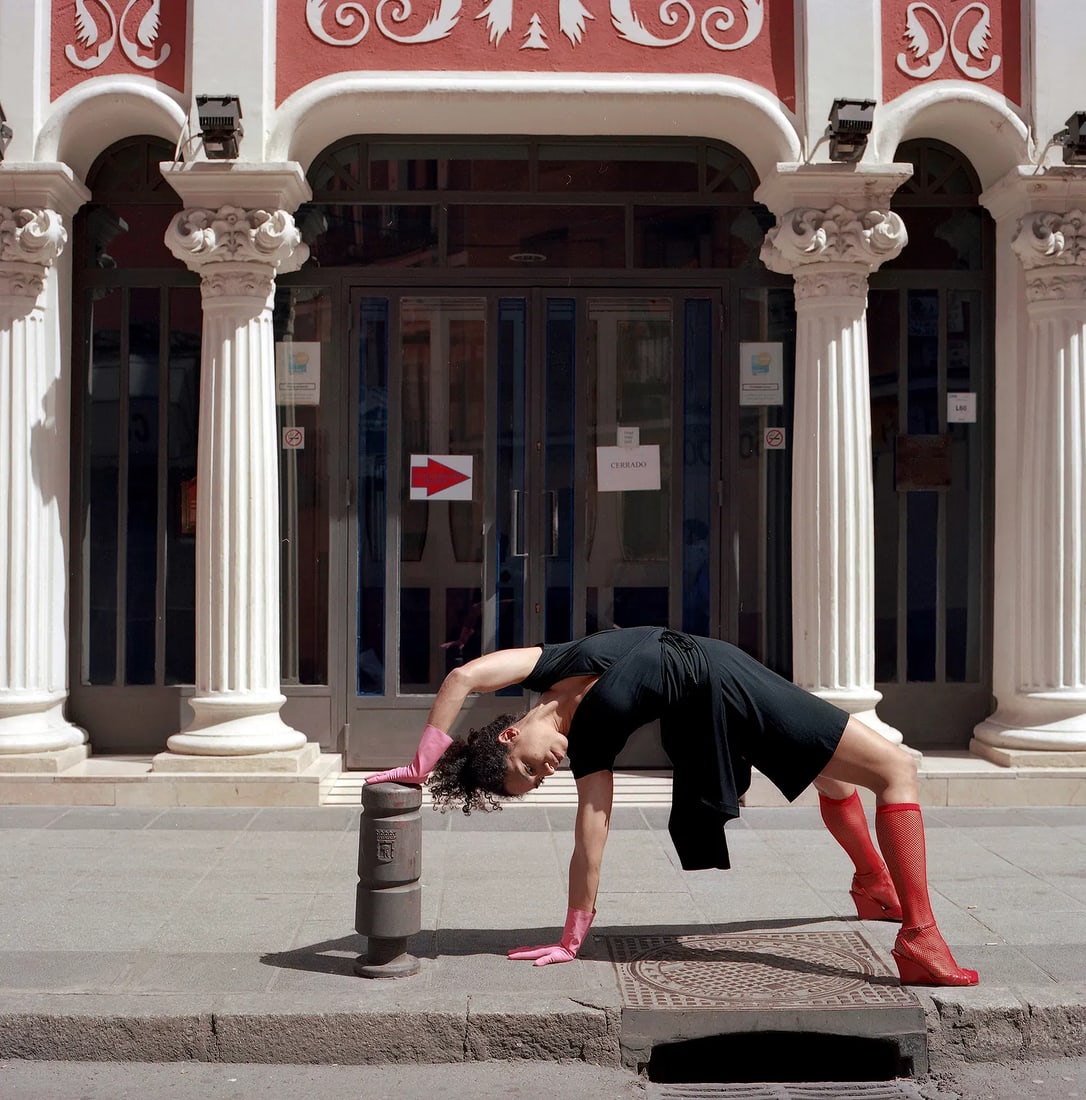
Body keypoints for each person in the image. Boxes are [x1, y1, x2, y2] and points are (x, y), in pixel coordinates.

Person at [367, 625, 978, 987]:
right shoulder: (591, 746)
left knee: (850, 774)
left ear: (508, 733)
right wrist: (572, 939)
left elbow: (463, 676)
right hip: (719, 692)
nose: (544, 770)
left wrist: (423, 763)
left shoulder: (553, 663)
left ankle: (877, 887)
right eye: (538, 781)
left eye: (528, 766)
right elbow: (590, 838)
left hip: (723, 676)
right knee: (881, 770)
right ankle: (916, 935)